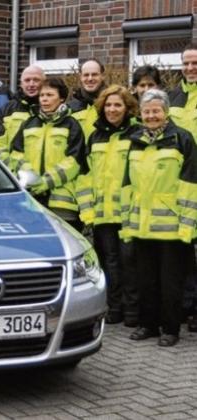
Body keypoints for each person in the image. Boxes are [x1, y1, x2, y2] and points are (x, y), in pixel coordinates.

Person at [122, 89, 197, 347]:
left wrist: (188, 227)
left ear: (165, 112)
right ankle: (148, 325)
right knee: (146, 280)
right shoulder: (135, 140)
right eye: (146, 111)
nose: (151, 115)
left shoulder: (182, 139)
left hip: (172, 228)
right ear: (140, 114)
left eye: (156, 111)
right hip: (142, 226)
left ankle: (170, 328)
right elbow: (127, 186)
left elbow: (190, 187)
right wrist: (127, 224)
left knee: (170, 283)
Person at [76, 85, 140, 326]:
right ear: (102, 108)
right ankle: (114, 309)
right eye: (109, 105)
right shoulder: (95, 137)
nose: (112, 109)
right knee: (109, 262)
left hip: (129, 215)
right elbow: (84, 177)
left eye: (118, 105)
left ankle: (133, 312)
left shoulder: (137, 135)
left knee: (130, 262)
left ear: (127, 108)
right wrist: (87, 211)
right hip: (102, 216)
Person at [10, 78, 86, 231]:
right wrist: (30, 177)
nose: (44, 99)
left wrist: (45, 182)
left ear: (62, 98)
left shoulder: (72, 124)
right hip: (32, 200)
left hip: (62, 204)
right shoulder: (29, 123)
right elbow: (16, 154)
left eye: (50, 95)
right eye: (42, 95)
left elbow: (74, 162)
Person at [168, 44, 197, 333]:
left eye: (194, 63)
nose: (190, 68)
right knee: (185, 250)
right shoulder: (173, 97)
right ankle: (187, 306)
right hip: (180, 184)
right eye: (186, 63)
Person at [0, 65, 45, 167]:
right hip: (15, 175)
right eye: (27, 80)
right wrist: (13, 169)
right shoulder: (8, 110)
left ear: (44, 82)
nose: (31, 84)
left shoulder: (53, 109)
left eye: (36, 80)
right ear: (21, 84)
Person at [69, 58, 107, 140]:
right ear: (80, 77)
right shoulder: (69, 109)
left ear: (103, 76)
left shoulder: (112, 105)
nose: (90, 79)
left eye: (94, 74)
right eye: (86, 75)